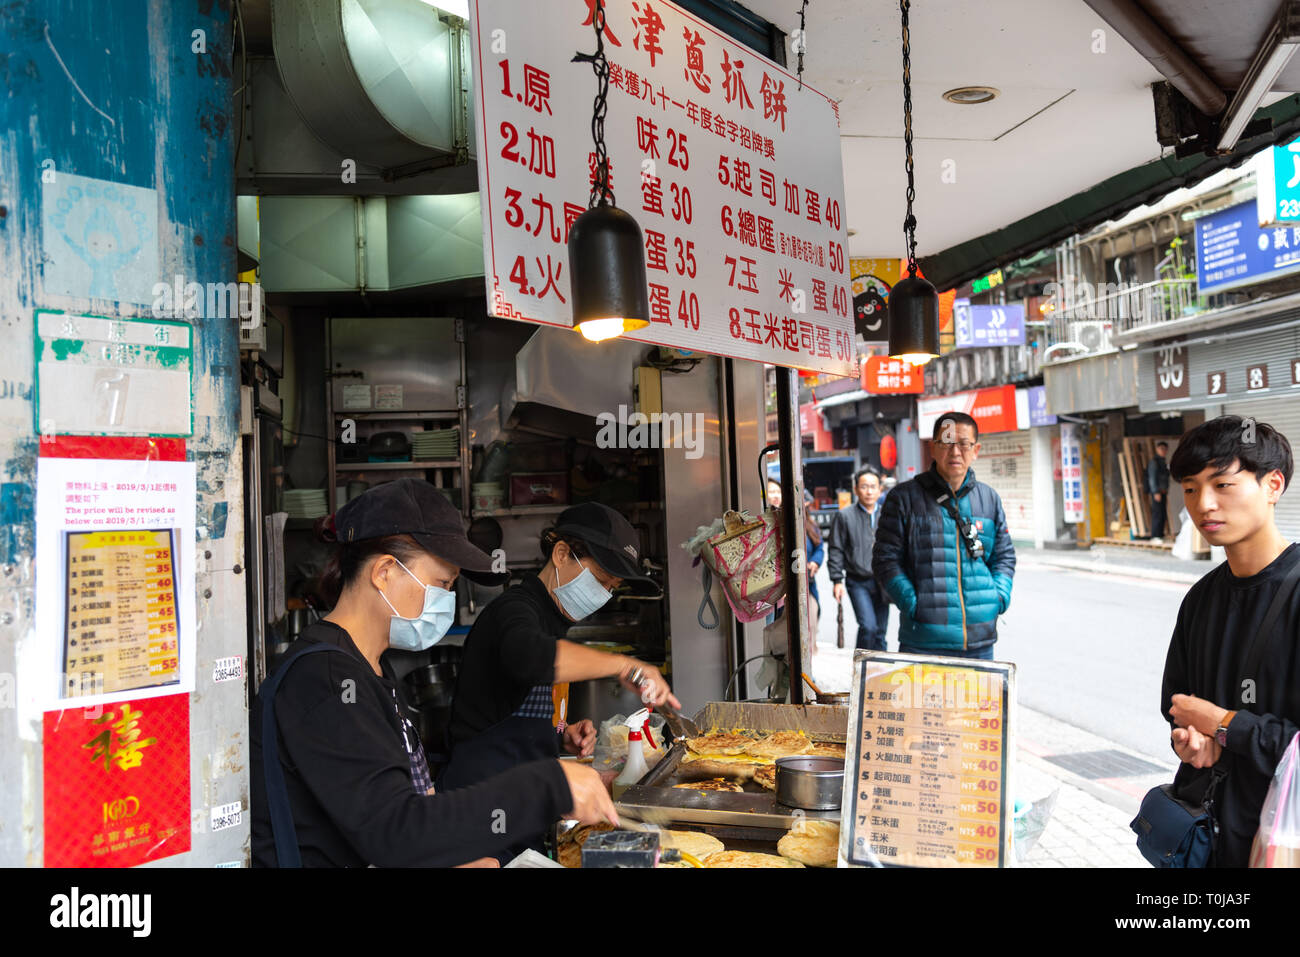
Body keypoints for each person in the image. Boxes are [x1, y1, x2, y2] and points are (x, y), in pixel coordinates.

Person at [250, 479, 617, 867]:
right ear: (385, 572)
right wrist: (544, 787)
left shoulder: (369, 667)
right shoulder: (327, 678)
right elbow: (394, 831)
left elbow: (384, 812)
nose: (447, 599)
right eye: (442, 583)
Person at [440, 502, 679, 859]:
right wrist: (623, 665)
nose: (602, 594)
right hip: (480, 816)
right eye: (599, 580)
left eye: (610, 587)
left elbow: (507, 705)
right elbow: (531, 659)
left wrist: (556, 734)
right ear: (562, 554)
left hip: (520, 810)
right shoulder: (516, 610)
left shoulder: (552, 620)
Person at [1160, 415, 1300, 867]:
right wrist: (1191, 740)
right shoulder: (1200, 599)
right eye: (1191, 488)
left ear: (1273, 485)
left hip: (1283, 841)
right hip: (1211, 837)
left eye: (1223, 484)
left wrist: (1224, 723)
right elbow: (1178, 705)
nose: (1204, 505)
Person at [871, 412, 1016, 660]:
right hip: (923, 641)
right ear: (933, 448)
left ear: (976, 449)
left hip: (979, 642)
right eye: (946, 443)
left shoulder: (988, 498)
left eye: (963, 443)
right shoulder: (904, 498)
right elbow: (885, 560)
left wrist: (998, 598)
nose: (955, 451)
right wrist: (913, 604)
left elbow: (1004, 556)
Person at [829, 468, 890, 651]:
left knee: (880, 632)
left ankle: (879, 674)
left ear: (880, 489)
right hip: (858, 581)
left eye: (873, 487)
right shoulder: (844, 516)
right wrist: (837, 580)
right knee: (868, 627)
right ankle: (860, 668)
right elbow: (836, 548)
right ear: (855, 489)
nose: (869, 491)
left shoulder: (889, 515)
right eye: (864, 487)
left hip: (884, 582)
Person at [803, 490, 824, 654]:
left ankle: (807, 670)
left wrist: (815, 562)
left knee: (811, 621)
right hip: (782, 589)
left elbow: (819, 548)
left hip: (808, 584)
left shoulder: (811, 525)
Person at [1147, 440, 1171, 543]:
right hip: (1157, 492)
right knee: (1157, 513)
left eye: (1165, 449)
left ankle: (1160, 535)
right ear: (1157, 449)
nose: (1163, 451)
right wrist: (1155, 491)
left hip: (1163, 491)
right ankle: (1155, 536)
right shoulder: (1154, 462)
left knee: (1162, 513)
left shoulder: (1163, 461)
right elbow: (1152, 478)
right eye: (1161, 449)